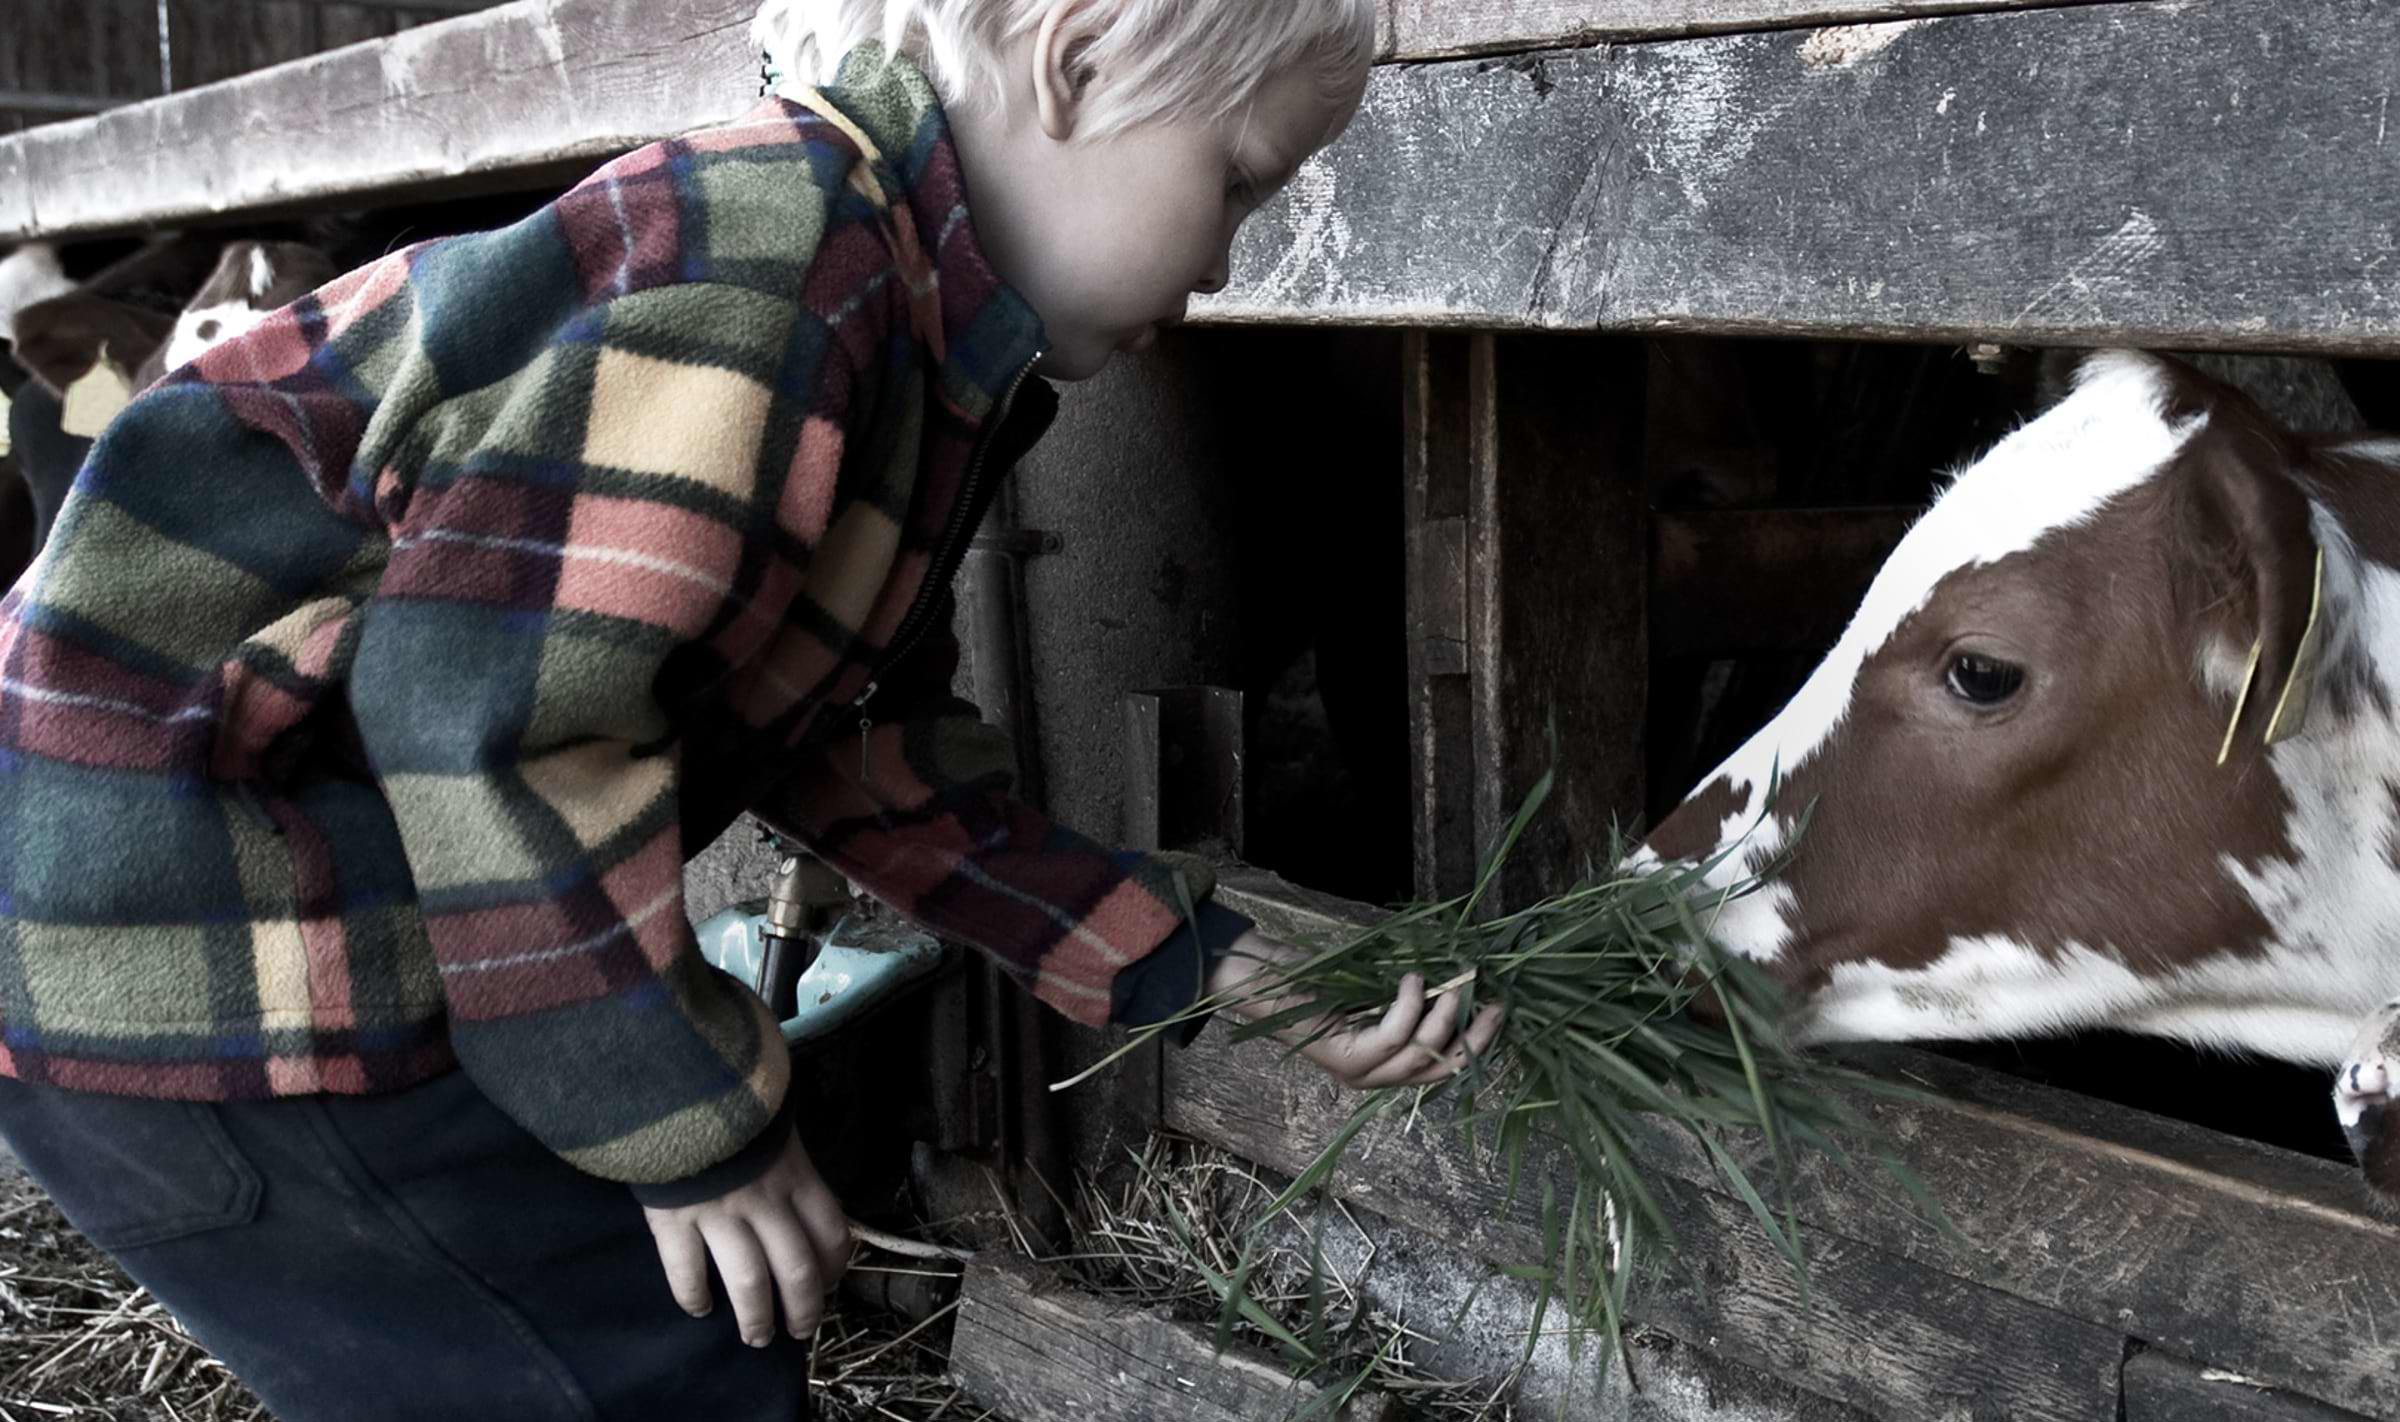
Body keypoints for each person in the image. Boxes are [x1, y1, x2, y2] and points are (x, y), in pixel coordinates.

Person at [0, 1, 1503, 1418]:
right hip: (182, 902)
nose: (1229, 264)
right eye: (1238, 181)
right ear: (1081, 57)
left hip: (248, 877)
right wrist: (684, 1120)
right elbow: (493, 716)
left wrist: (1191, 953)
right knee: (643, 1364)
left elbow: (867, 751)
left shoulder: (903, 338)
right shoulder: (772, 273)